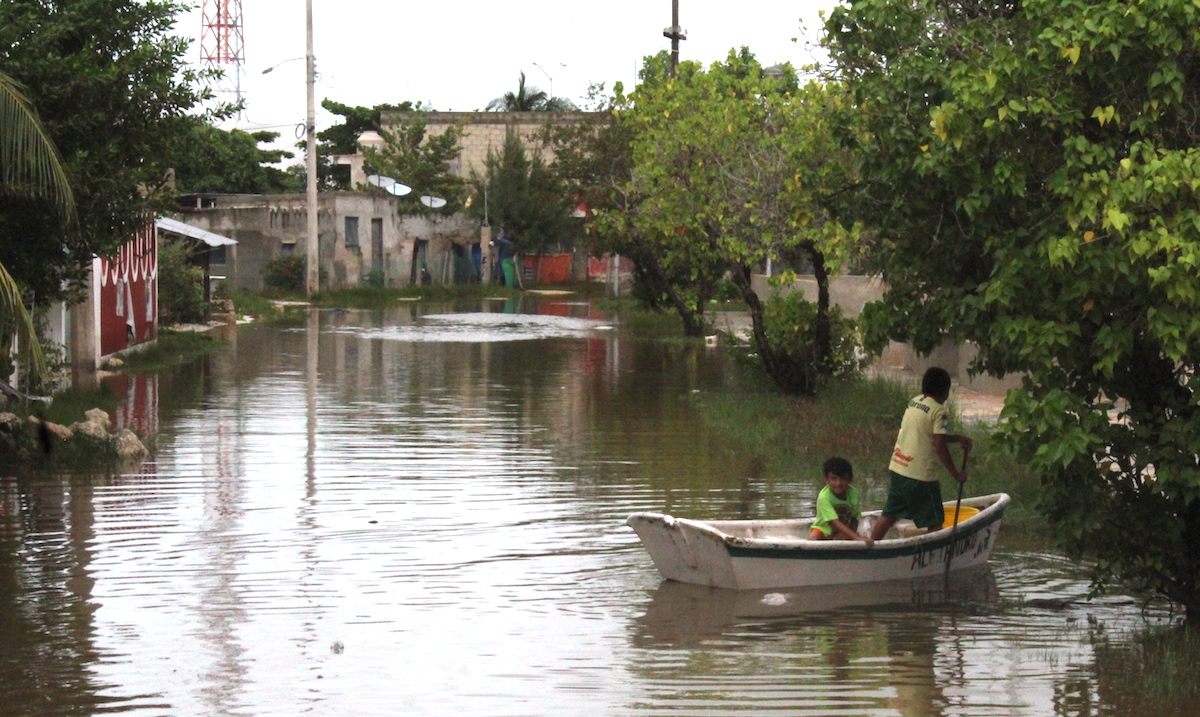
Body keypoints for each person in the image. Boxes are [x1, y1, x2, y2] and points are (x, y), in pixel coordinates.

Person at [870, 366, 972, 541]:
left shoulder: (914, 402)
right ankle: (924, 557)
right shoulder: (939, 411)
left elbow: (929, 434)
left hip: (898, 468)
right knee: (936, 523)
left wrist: (958, 438)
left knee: (889, 514)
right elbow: (939, 445)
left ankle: (870, 547)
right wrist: (956, 474)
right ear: (945, 391)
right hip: (921, 477)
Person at [809, 457, 874, 546]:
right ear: (827, 480)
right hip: (824, 529)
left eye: (843, 479)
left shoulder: (853, 493)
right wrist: (857, 537)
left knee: (841, 538)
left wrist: (852, 536)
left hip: (844, 529)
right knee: (813, 537)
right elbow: (834, 522)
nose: (838, 483)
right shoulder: (824, 497)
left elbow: (855, 518)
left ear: (850, 479)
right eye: (834, 479)